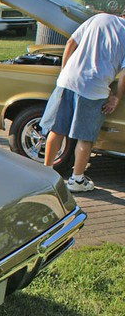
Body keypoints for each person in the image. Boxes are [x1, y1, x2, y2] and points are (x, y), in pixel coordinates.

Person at [41, 13, 125, 192]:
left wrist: (64, 72)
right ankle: (77, 180)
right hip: (94, 88)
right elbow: (124, 73)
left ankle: (46, 172)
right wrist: (117, 97)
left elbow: (71, 43)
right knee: (85, 137)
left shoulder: (98, 18)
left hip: (68, 81)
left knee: (57, 130)